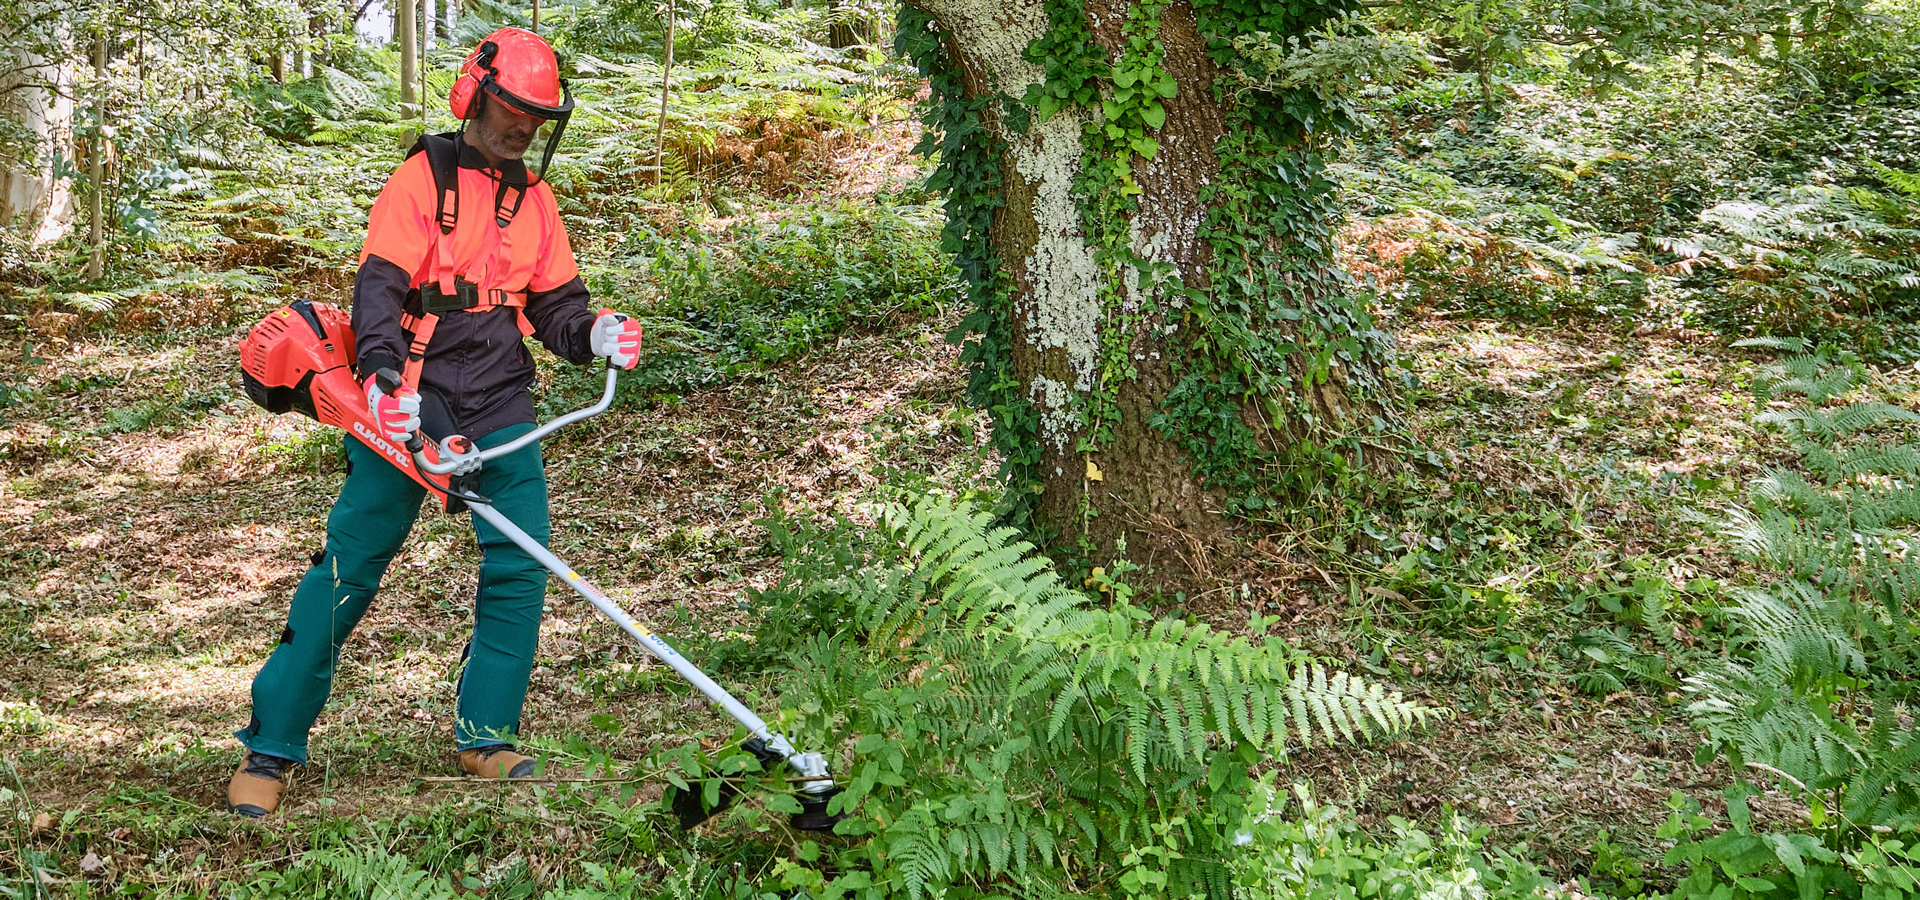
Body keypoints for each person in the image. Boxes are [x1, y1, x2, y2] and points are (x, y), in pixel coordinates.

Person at [226, 27, 643, 817]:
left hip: (501, 401)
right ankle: (272, 746)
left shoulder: (538, 201)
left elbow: (555, 305)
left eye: (538, 116)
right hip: (410, 400)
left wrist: (591, 334)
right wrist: (382, 381)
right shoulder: (421, 182)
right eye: (515, 109)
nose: (525, 127)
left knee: (521, 566)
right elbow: (378, 290)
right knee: (350, 569)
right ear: (476, 94)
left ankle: (486, 736)